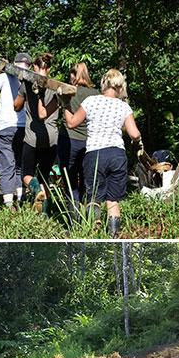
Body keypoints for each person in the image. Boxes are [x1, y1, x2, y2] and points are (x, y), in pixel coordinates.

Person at [62, 68, 142, 238]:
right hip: (117, 155)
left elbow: (71, 123)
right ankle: (114, 234)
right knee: (113, 199)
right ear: (120, 87)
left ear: (104, 83)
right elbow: (134, 134)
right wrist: (137, 141)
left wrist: (66, 105)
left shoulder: (91, 101)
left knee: (94, 196)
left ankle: (93, 230)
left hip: (95, 154)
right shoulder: (124, 106)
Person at [14, 53, 59, 215]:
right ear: (49, 68)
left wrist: (23, 97)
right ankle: (45, 214)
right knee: (45, 176)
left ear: (34, 67)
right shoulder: (57, 87)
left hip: (32, 137)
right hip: (52, 138)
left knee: (27, 174)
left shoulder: (27, 83)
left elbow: (17, 106)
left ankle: (34, 190)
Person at [0, 52, 30, 208]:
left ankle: (8, 203)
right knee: (19, 164)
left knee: (6, 164)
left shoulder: (4, 78)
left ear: (14, 64)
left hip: (5, 126)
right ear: (28, 66)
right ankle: (21, 198)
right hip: (24, 127)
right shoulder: (30, 82)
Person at [58, 63, 101, 225]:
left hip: (69, 140)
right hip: (90, 142)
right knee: (86, 180)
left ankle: (73, 220)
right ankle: (89, 218)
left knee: (69, 181)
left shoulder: (67, 91)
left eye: (71, 74)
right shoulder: (96, 94)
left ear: (75, 75)